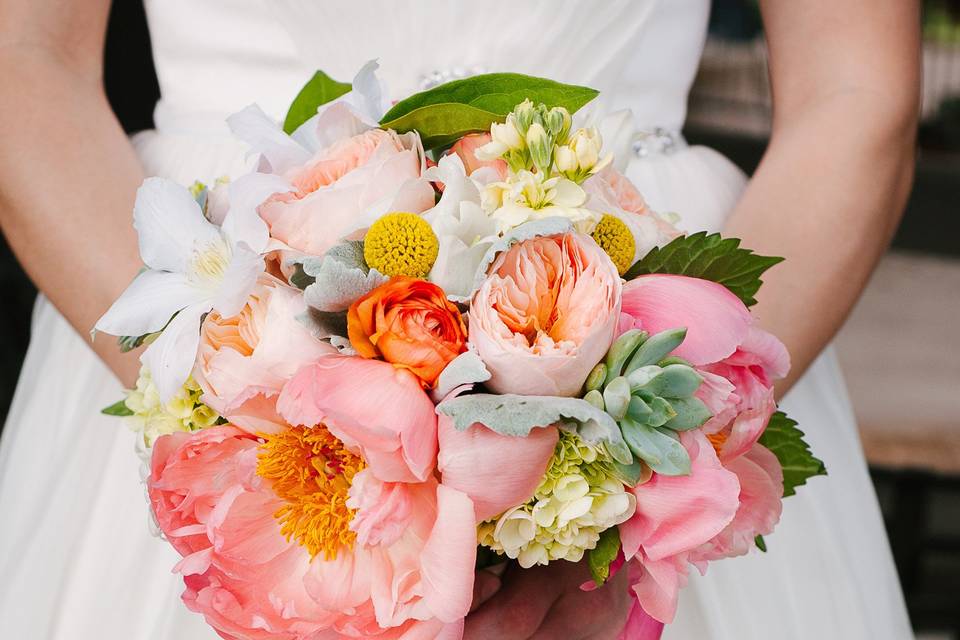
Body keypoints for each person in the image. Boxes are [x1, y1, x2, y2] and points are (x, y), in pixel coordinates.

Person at [0, 1, 919, 638]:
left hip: (623, 278)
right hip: (215, 275)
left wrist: (618, 484)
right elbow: (24, 61)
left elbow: (855, 93)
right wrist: (259, 423)